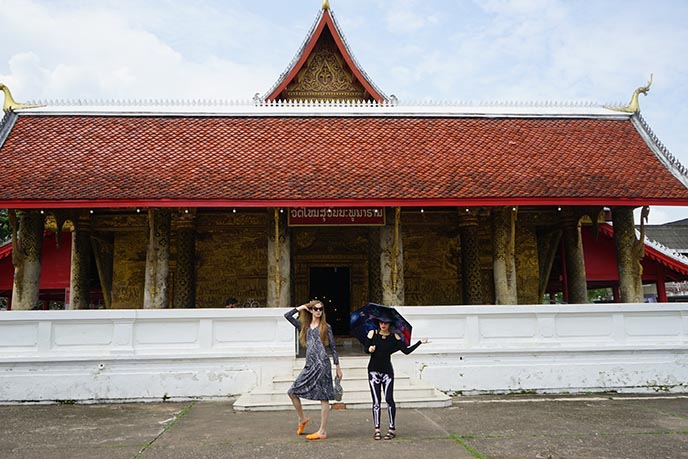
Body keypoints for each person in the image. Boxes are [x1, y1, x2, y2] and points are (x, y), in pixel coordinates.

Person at [284, 300, 343, 440]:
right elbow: (287, 315)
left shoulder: (326, 327)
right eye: (315, 309)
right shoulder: (304, 326)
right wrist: (302, 307)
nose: (318, 311)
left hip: (322, 364)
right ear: (311, 310)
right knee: (292, 392)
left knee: (324, 397)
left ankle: (322, 431)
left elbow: (333, 348)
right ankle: (302, 418)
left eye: (320, 309)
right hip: (309, 365)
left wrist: (338, 367)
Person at [365, 315, 429, 440]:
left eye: (386, 323)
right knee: (376, 401)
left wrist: (420, 342)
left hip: (387, 371)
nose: (383, 325)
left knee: (389, 399)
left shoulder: (395, 337)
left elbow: (406, 351)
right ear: (378, 323)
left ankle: (391, 428)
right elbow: (365, 349)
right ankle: (377, 429)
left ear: (390, 324)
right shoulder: (372, 333)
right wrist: (370, 349)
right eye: (381, 322)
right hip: (373, 371)